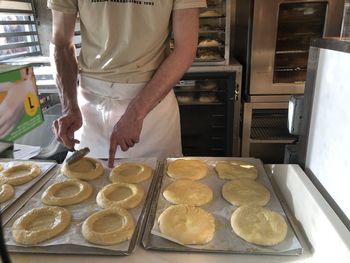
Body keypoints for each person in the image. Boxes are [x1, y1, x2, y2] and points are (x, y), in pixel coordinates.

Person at [48, 0, 207, 167]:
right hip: (89, 108)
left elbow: (186, 49)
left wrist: (136, 113)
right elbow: (61, 44)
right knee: (87, 184)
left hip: (151, 105)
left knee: (160, 182)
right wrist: (69, 106)